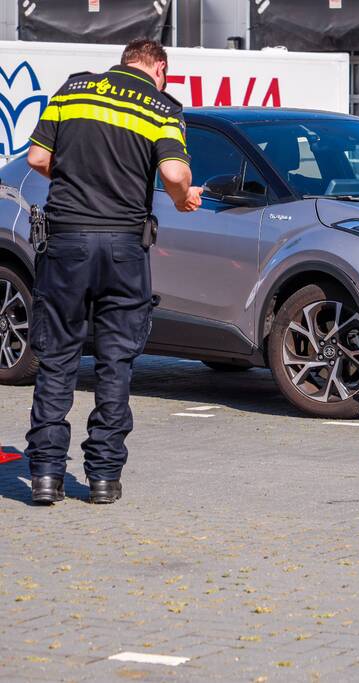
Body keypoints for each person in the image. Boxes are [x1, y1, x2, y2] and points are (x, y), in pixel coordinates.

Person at [24, 38, 203, 505]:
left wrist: (78, 182)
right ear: (159, 67)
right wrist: (184, 196)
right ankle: (103, 478)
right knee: (115, 362)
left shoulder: (73, 90)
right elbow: (173, 173)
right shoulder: (161, 106)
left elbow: (38, 159)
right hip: (123, 247)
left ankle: (44, 475)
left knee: (57, 358)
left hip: (65, 241)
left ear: (124, 61)